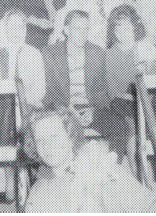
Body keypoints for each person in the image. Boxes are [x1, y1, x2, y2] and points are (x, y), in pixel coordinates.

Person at [24, 107, 156, 213]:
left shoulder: (102, 167)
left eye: (54, 136)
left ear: (70, 135)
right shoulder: (38, 197)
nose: (48, 145)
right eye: (40, 140)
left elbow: (151, 205)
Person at [41, 10, 129, 162]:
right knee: (63, 135)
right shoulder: (49, 54)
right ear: (66, 30)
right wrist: (67, 109)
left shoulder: (98, 53)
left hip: (90, 108)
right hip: (63, 109)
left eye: (85, 29)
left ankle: (111, 165)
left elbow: (103, 91)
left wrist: (94, 110)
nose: (82, 34)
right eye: (77, 29)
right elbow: (48, 93)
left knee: (120, 127)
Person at [0, 10, 46, 198]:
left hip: (27, 105)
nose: (16, 31)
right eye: (11, 26)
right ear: (4, 29)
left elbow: (40, 89)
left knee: (22, 116)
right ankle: (10, 173)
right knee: (6, 112)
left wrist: (22, 101)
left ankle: (28, 176)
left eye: (20, 26)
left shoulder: (33, 53)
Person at [105, 5, 156, 173]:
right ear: (112, 30)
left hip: (148, 105)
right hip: (122, 108)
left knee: (155, 128)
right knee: (131, 134)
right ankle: (141, 184)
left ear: (135, 27)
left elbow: (154, 86)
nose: (123, 31)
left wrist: (148, 63)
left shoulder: (145, 49)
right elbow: (113, 93)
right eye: (118, 26)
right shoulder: (109, 55)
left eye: (127, 26)